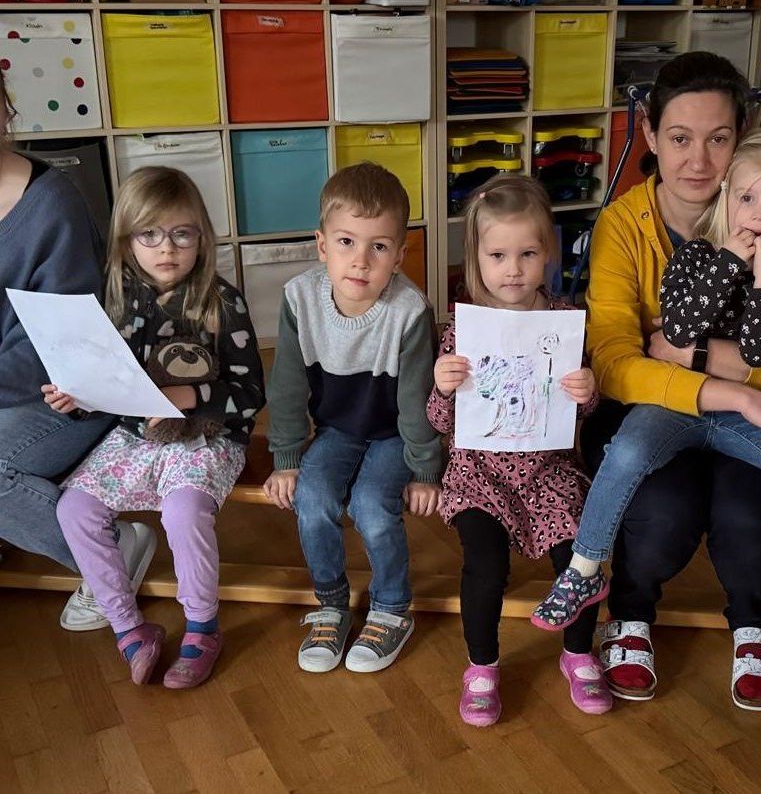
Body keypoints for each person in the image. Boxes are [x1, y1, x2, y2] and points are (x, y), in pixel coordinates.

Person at [575, 52, 761, 711]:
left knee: (748, 512)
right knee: (665, 510)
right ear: (651, 135)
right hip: (649, 408)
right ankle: (628, 612)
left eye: (719, 139)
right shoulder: (623, 225)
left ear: (743, 137)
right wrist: (737, 387)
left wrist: (705, 360)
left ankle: (756, 622)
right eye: (680, 138)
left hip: (740, 413)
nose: (698, 159)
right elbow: (613, 362)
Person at [533, 128, 761, 641]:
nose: (760, 214)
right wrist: (729, 263)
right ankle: (584, 569)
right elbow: (677, 328)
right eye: (747, 198)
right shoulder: (697, 257)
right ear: (727, 199)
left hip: (741, 418)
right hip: (674, 401)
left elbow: (760, 353)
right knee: (628, 449)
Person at [45, 167, 265, 688]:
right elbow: (104, 390)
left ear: (201, 237)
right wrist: (73, 398)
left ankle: (202, 627)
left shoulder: (220, 300)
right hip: (133, 440)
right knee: (73, 508)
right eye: (150, 235)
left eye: (181, 234)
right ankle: (128, 628)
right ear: (127, 238)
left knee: (183, 509)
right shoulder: (113, 299)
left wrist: (188, 397)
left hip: (206, 438)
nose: (166, 249)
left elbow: (250, 395)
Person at [428, 175, 610, 727]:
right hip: (478, 474)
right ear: (476, 258)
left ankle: (578, 653)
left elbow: (576, 421)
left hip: (549, 471)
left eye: (528, 253)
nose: (513, 269)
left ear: (548, 253)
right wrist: (442, 387)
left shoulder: (562, 323)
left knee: (579, 556)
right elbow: (438, 424)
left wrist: (587, 394)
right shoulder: (463, 330)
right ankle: (481, 666)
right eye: (499, 254)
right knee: (485, 564)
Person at [263, 162, 442, 675]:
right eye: (346, 242)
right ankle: (331, 603)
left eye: (379, 247)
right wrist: (287, 459)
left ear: (400, 255)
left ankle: (390, 606)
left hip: (394, 437)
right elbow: (289, 386)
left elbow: (417, 401)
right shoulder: (300, 298)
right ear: (322, 245)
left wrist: (426, 470)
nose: (360, 261)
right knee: (313, 497)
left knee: (369, 505)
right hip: (338, 430)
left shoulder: (409, 311)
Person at [0, 66, 154, 627]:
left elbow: (58, 348)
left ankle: (111, 550)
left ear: (5, 110)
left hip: (67, 393)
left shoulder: (50, 205)